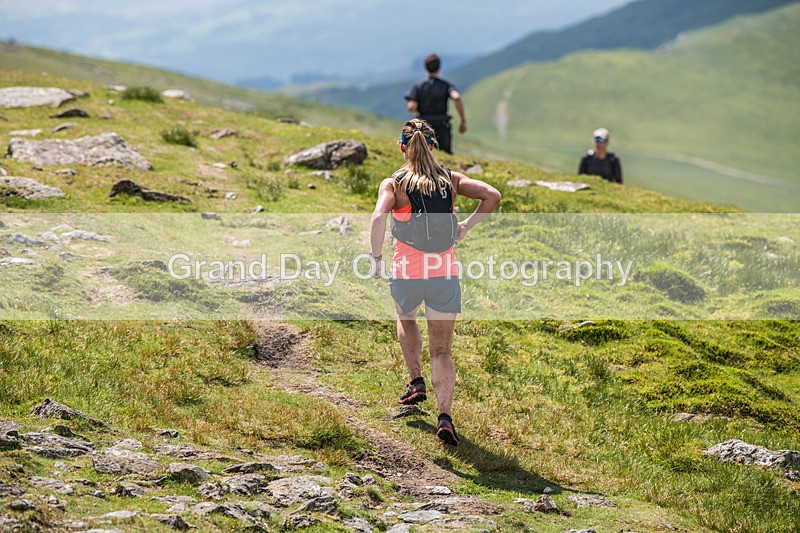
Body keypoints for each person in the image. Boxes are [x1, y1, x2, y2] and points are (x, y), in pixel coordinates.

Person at [369, 118, 501, 446]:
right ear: (433, 146)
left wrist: (375, 259)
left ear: (402, 146)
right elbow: (492, 195)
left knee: (405, 317)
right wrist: (465, 227)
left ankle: (416, 381)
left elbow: (377, 217)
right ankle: (445, 416)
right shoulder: (450, 179)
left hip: (407, 272)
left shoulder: (394, 184)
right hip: (444, 273)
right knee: (441, 350)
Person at [404, 54, 467, 154]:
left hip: (423, 126)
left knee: (425, 153)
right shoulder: (446, 85)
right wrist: (463, 120)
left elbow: (411, 106)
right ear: (439, 68)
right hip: (442, 125)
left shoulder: (419, 86)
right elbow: (456, 97)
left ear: (425, 68)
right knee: (445, 154)